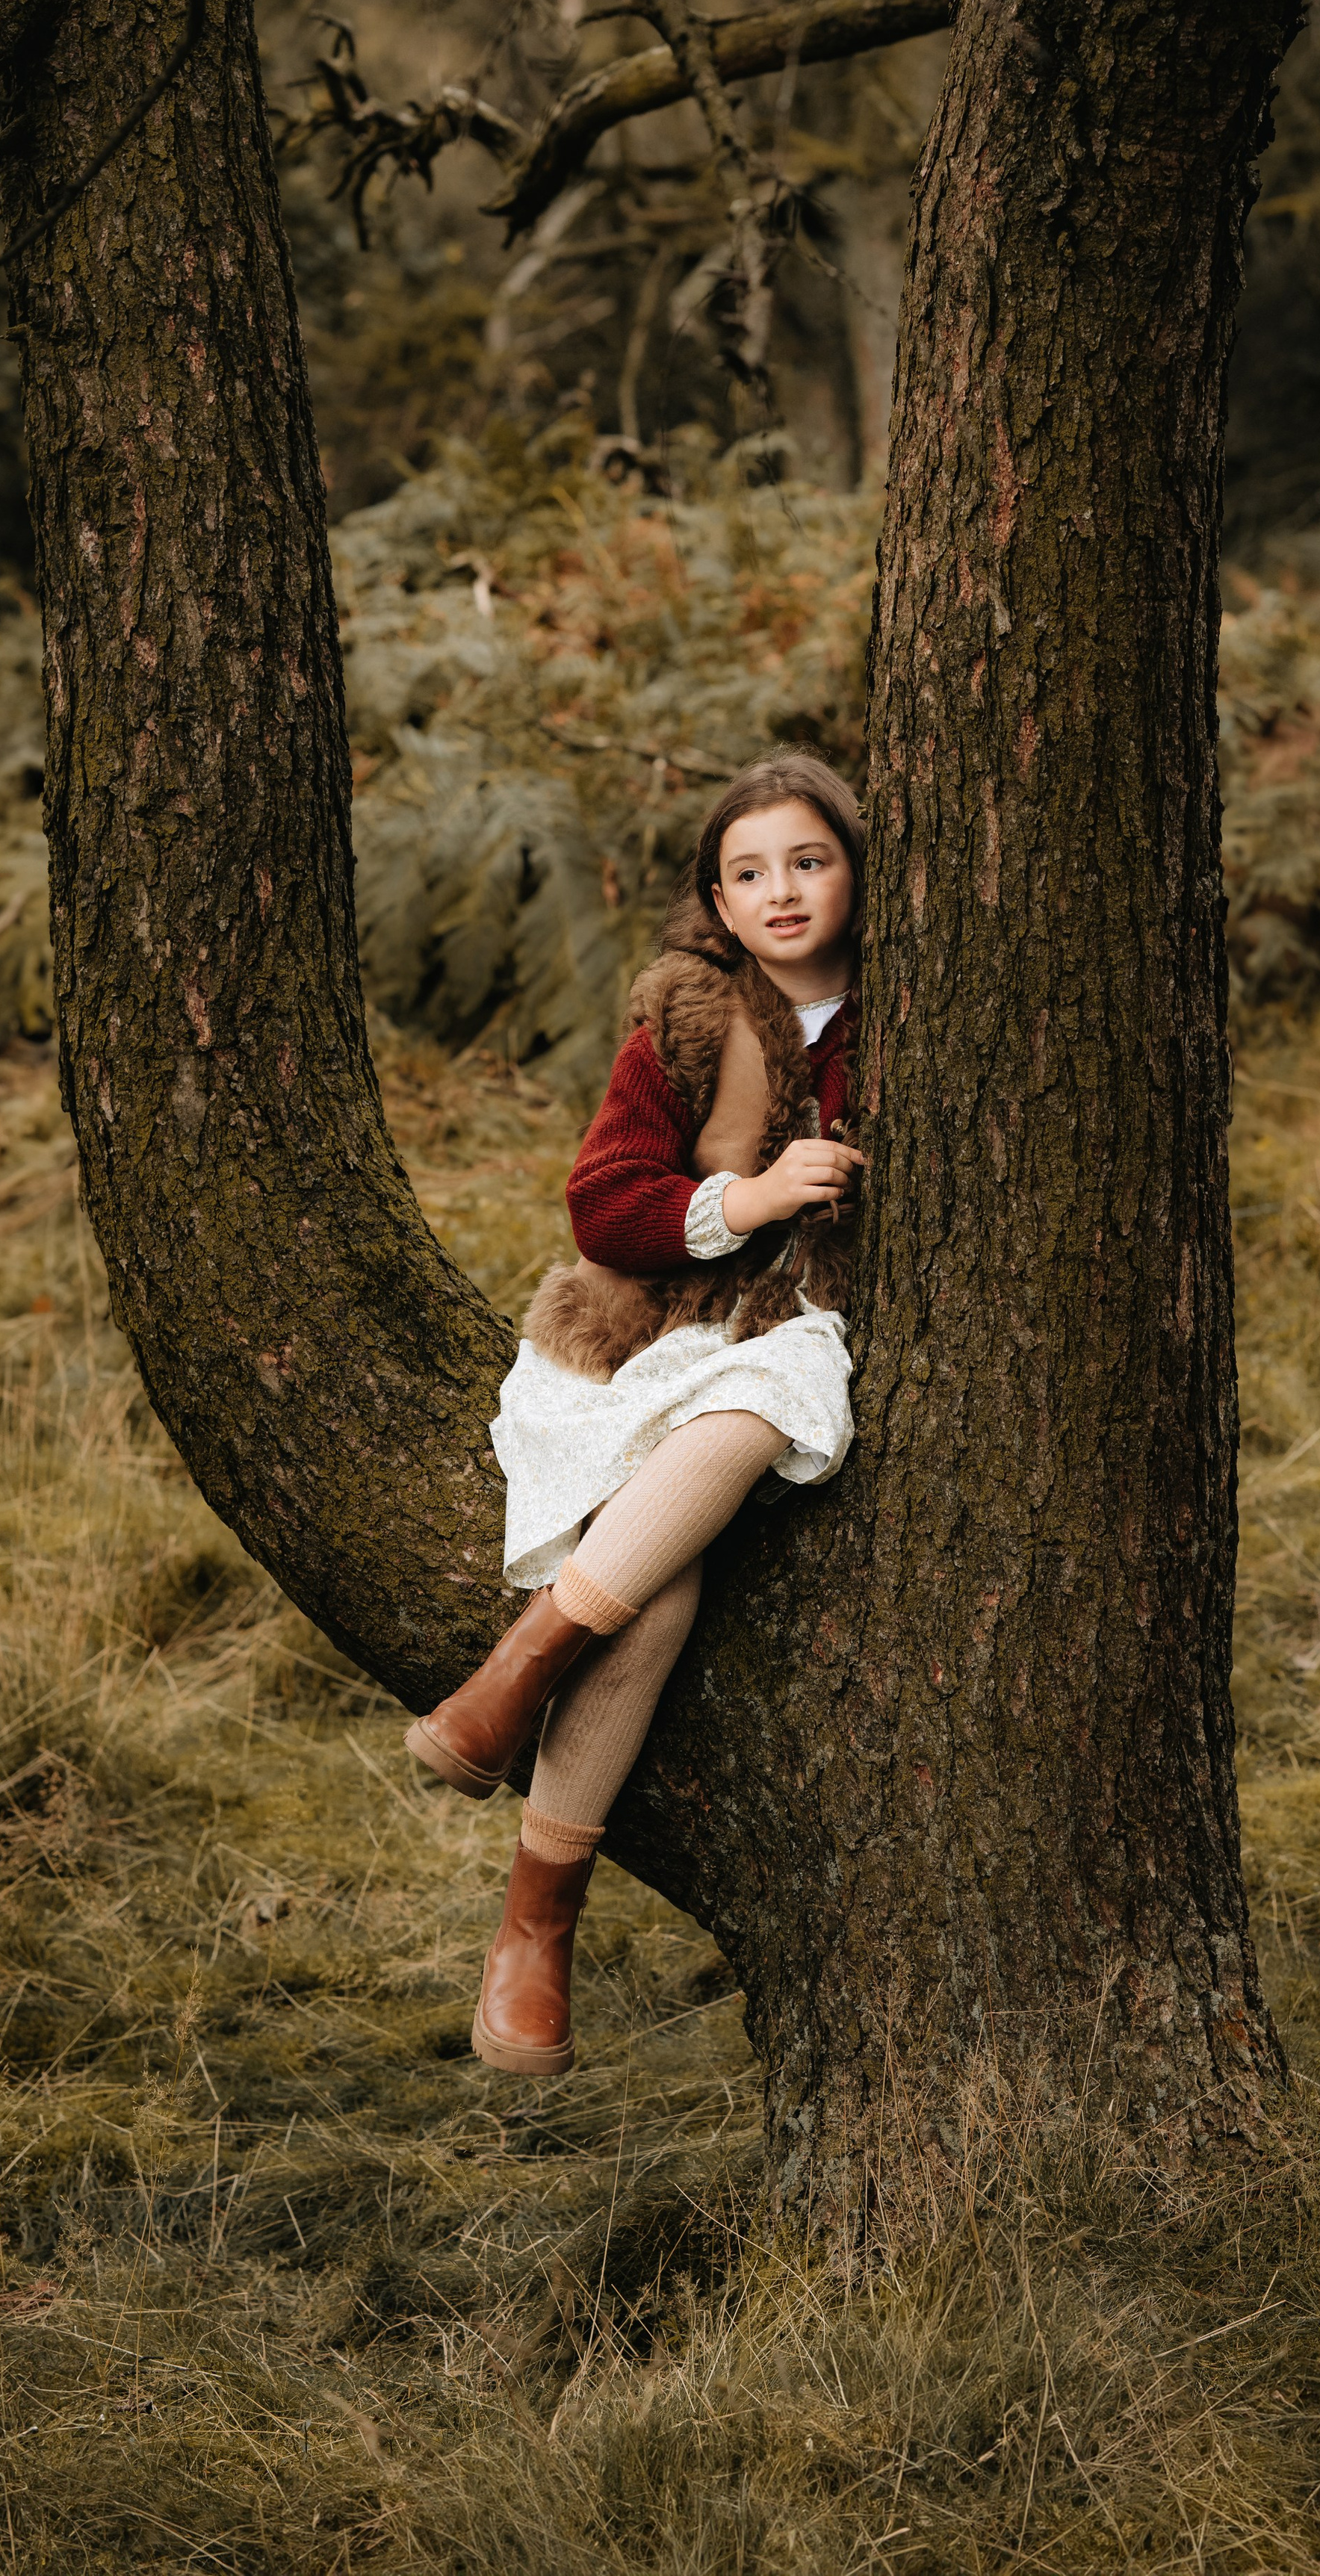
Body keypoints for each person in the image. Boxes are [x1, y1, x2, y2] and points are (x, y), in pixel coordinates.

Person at [406, 751, 867, 2075]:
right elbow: (602, 1204)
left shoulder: (915, 1011)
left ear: (855, 868)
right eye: (748, 873)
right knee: (652, 1584)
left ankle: (521, 1670)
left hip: (795, 1342)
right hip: (656, 1329)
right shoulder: (690, 1015)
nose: (781, 893)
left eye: (809, 860)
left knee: (757, 1412)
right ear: (718, 905)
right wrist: (754, 1198)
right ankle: (535, 1920)